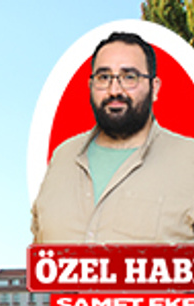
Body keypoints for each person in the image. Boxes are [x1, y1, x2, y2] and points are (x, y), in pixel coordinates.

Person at [32, 31, 194, 244]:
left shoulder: (188, 159)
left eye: (129, 77)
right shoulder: (62, 157)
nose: (114, 90)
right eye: (104, 77)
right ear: (91, 86)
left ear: (154, 88)